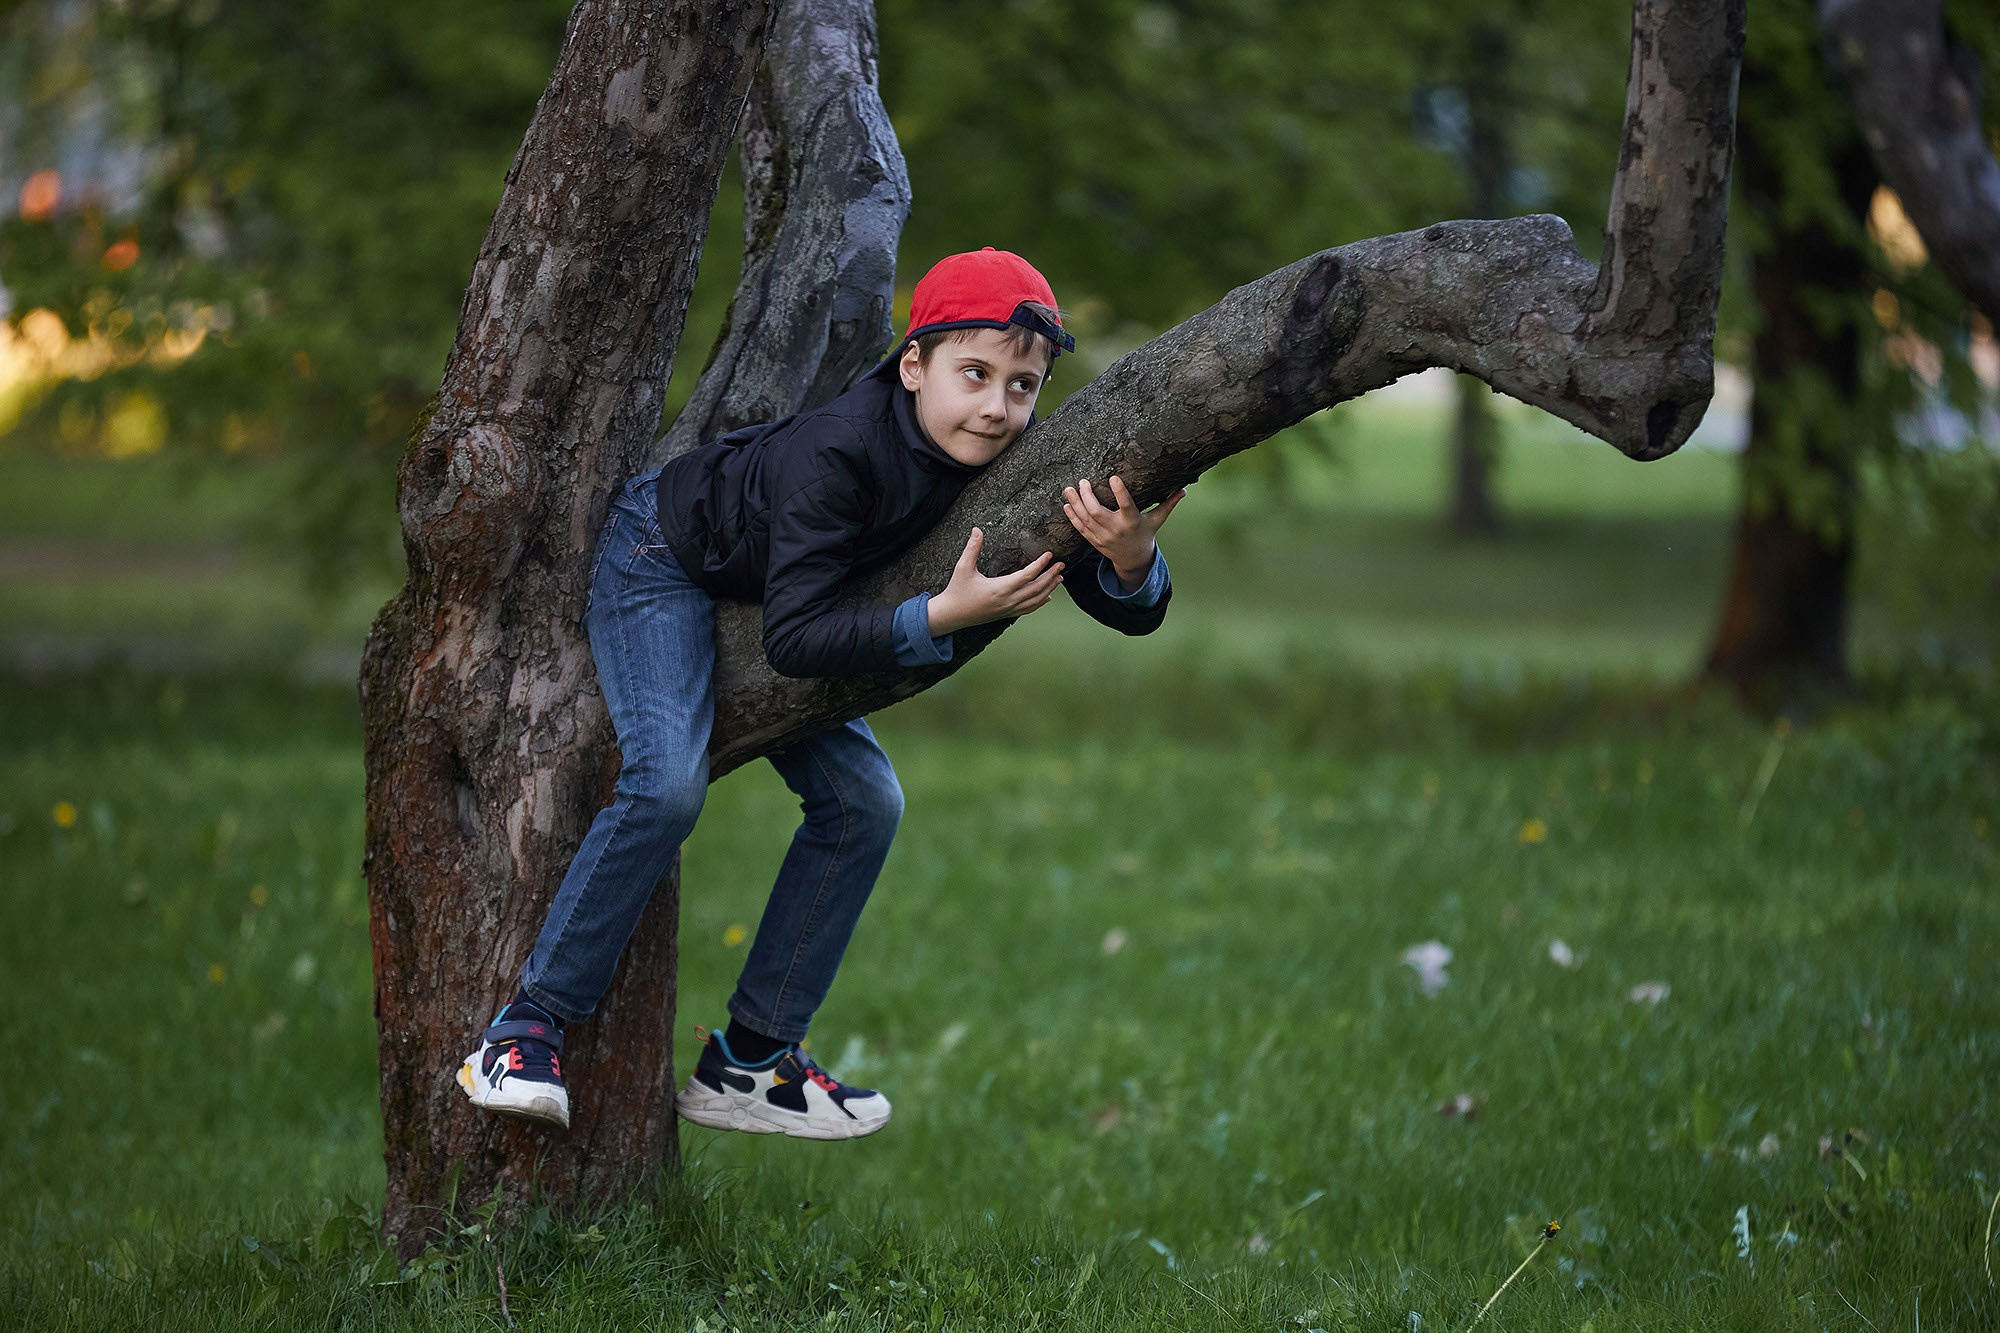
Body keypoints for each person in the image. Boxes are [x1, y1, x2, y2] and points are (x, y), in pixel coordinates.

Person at [456, 247, 1185, 1140]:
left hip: (787, 588)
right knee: (666, 782)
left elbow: (1129, 610)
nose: (997, 408)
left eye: (1023, 386)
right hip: (668, 558)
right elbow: (796, 641)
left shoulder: (1013, 454)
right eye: (974, 374)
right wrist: (938, 616)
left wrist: (1130, 556)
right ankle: (522, 1029)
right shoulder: (841, 450)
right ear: (913, 364)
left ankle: (752, 1060)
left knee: (867, 800)